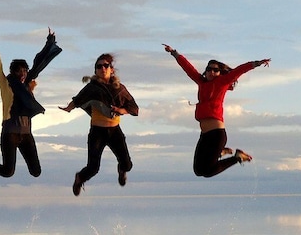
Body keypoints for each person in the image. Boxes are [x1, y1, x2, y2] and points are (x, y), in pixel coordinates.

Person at [0, 20, 62, 178]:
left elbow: (40, 61)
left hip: (27, 133)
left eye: (24, 71)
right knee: (8, 172)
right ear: (13, 72)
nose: (22, 74)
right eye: (19, 71)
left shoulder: (27, 85)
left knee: (36, 172)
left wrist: (50, 41)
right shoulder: (6, 83)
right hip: (10, 133)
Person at [163, 44, 270, 178]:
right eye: (209, 69)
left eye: (215, 70)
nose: (212, 72)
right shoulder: (201, 83)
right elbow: (188, 68)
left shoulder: (222, 82)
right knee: (198, 170)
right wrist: (174, 53)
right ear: (205, 71)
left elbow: (239, 70)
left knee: (207, 171)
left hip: (216, 135)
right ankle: (221, 152)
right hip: (205, 135)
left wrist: (257, 63)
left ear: (220, 73)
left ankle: (237, 157)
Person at [60, 54, 139, 196]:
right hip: (97, 131)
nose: (103, 68)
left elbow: (134, 107)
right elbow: (78, 100)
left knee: (127, 164)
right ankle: (79, 178)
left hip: (115, 131)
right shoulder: (92, 88)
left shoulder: (120, 89)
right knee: (93, 168)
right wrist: (69, 108)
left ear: (112, 69)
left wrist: (121, 110)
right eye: (99, 66)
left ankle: (121, 171)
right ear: (95, 71)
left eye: (106, 65)